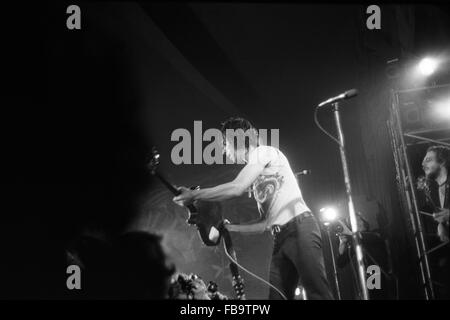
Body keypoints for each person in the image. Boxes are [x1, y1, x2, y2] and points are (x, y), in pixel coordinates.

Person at [173, 117, 333, 300]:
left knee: (318, 293)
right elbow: (265, 224)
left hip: (300, 228)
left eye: (225, 143)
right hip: (280, 238)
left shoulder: (264, 152)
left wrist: (194, 195)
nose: (224, 149)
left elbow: (236, 187)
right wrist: (230, 228)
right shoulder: (257, 180)